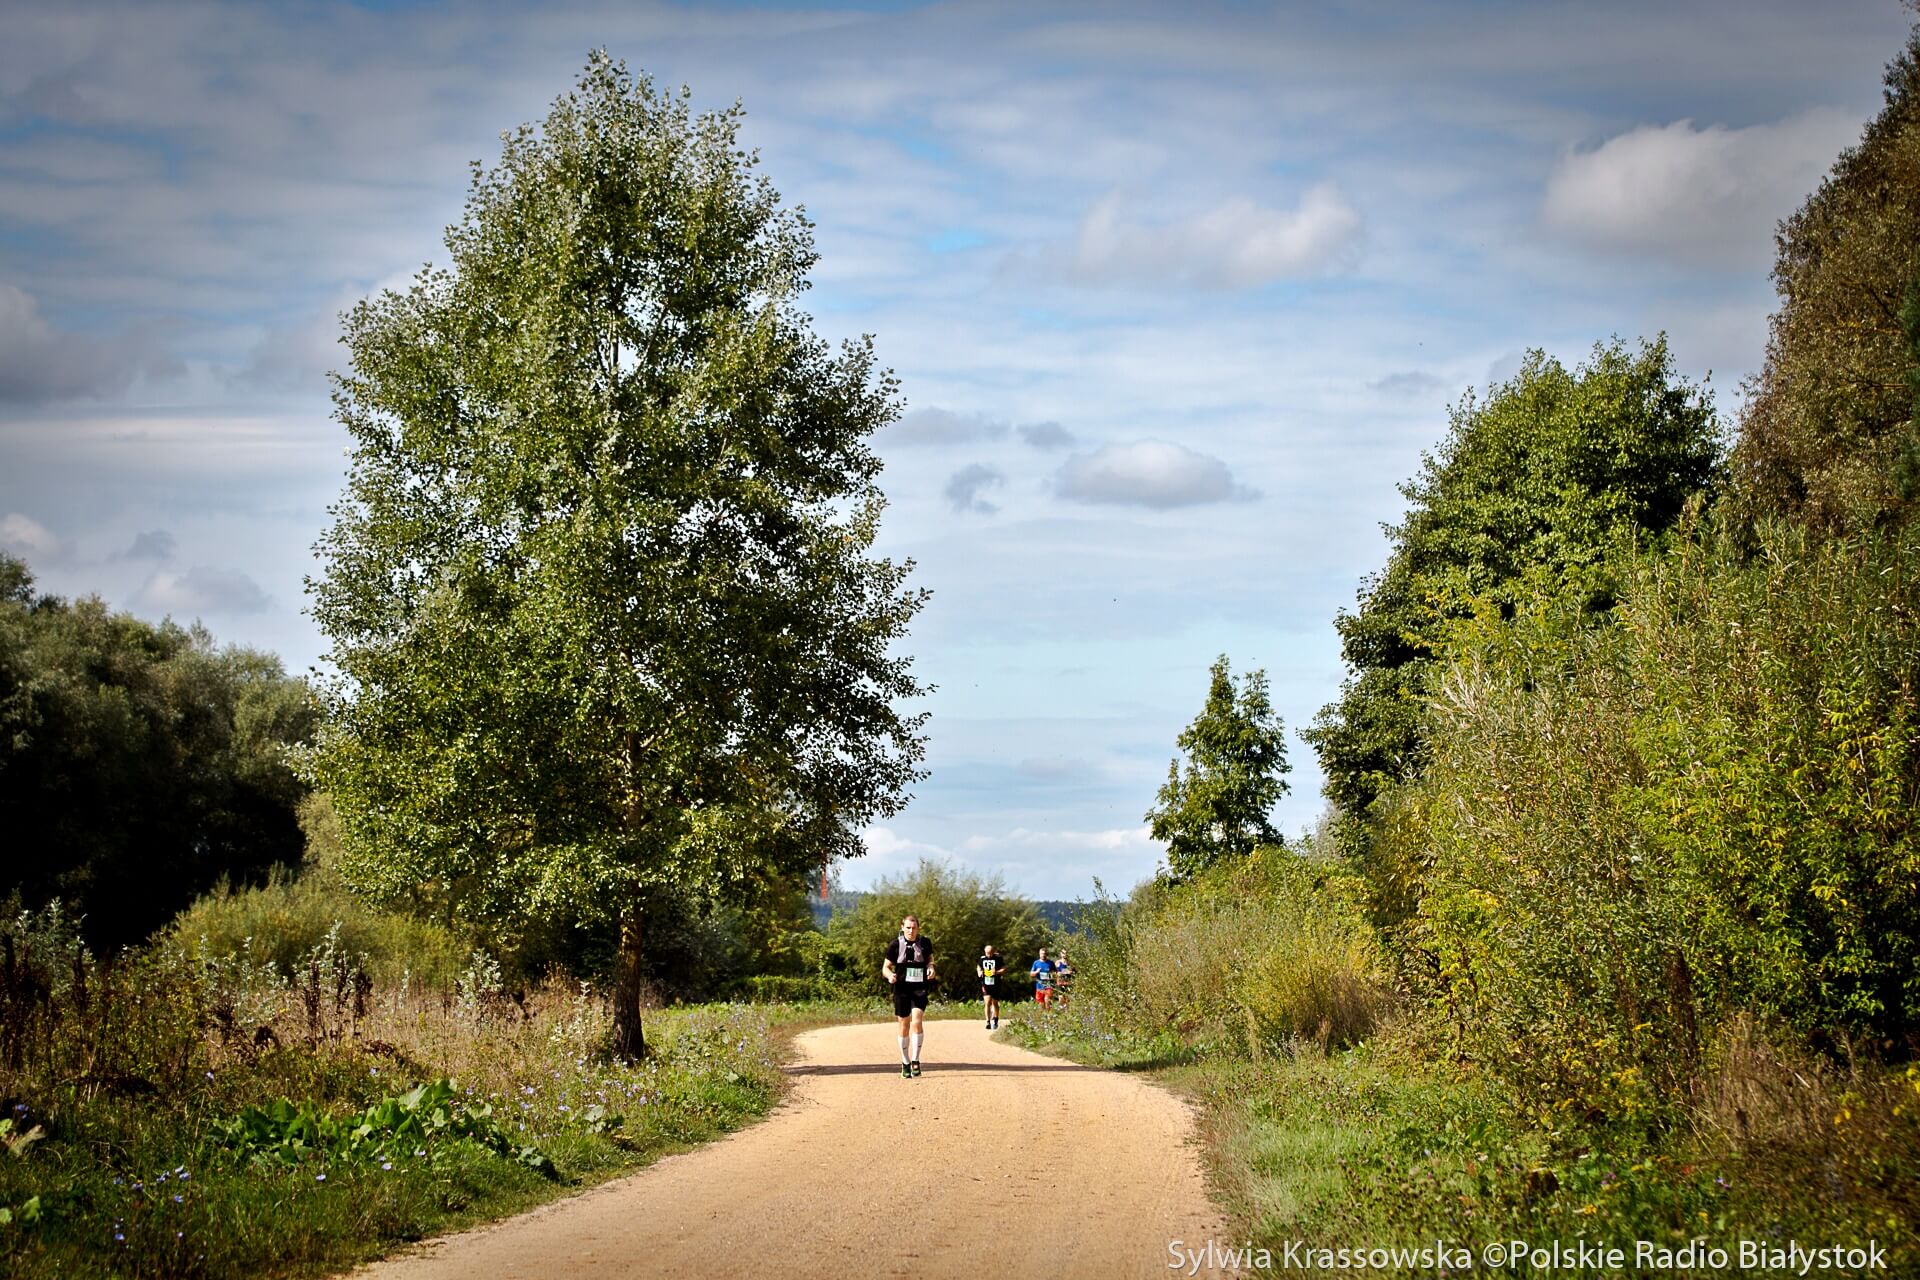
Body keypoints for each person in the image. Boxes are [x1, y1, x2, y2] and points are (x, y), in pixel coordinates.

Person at [881, 914, 936, 1078]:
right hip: (902, 989)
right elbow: (885, 967)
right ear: (902, 927)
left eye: (914, 928)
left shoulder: (925, 942)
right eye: (908, 928)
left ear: (918, 928)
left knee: (917, 1021)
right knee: (904, 1024)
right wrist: (890, 976)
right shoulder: (895, 944)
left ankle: (915, 1060)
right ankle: (905, 1061)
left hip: (919, 988)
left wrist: (931, 968)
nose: (911, 931)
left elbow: (930, 960)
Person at [976, 944, 1002, 1030]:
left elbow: (1004, 968)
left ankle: (996, 1019)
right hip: (986, 983)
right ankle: (988, 1022)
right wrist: (979, 972)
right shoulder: (982, 959)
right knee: (987, 1002)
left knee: (995, 1003)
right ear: (985, 952)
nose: (989, 955)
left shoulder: (998, 958)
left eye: (991, 953)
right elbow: (978, 966)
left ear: (993, 952)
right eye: (987, 953)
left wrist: (997, 972)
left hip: (996, 984)